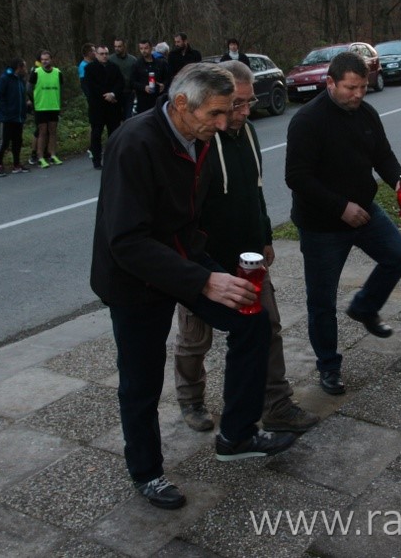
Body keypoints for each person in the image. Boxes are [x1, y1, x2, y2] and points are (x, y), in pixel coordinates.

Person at [90, 62, 297, 511]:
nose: (223, 124)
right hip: (133, 279)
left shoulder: (196, 136)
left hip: (182, 257)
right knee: (141, 380)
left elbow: (186, 217)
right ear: (182, 103)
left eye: (228, 111)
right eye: (215, 113)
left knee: (252, 321)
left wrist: (213, 267)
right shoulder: (134, 142)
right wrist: (203, 280)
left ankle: (237, 435)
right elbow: (126, 241)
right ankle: (146, 472)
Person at [173, 60, 319, 434]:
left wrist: (265, 236)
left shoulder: (249, 133)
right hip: (204, 260)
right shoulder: (201, 139)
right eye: (236, 104)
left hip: (248, 257)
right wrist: (194, 265)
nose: (243, 112)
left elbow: (256, 189)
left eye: (247, 102)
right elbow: (184, 209)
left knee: (266, 327)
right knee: (195, 339)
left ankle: (277, 403)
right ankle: (191, 399)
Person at [285, 51, 401, 395]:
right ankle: (329, 366)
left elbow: (382, 155)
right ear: (330, 83)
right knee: (322, 302)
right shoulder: (308, 121)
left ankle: (364, 307)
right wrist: (341, 207)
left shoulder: (366, 113)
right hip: (321, 225)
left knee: (399, 255)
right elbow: (296, 177)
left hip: (364, 213)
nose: (358, 94)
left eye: (363, 87)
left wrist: (400, 181)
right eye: (350, 88)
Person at [84, 45, 124, 169]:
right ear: (96, 54)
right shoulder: (90, 68)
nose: (104, 56)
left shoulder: (114, 67)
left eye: (106, 53)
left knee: (114, 134)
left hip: (113, 106)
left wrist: (113, 94)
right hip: (97, 107)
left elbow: (120, 83)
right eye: (101, 54)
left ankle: (113, 158)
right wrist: (105, 95)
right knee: (96, 134)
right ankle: (96, 160)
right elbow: (91, 87)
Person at [0, 58, 31, 177]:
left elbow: (21, 96)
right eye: (24, 66)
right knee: (4, 142)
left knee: (17, 141)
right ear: (19, 67)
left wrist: (26, 105)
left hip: (19, 117)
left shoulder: (20, 80)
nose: (26, 69)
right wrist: (6, 111)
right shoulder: (5, 78)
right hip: (7, 118)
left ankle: (16, 164)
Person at [27, 51, 64, 168]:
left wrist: (60, 103)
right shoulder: (36, 72)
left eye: (46, 59)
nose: (44, 61)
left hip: (53, 106)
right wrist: (34, 101)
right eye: (42, 59)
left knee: (53, 131)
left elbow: (61, 88)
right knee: (42, 132)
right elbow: (29, 89)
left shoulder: (58, 72)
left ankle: (52, 155)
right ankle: (40, 157)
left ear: (51, 59)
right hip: (40, 107)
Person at [131, 39, 169, 115]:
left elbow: (168, 78)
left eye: (146, 48)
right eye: (141, 48)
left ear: (151, 48)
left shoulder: (160, 63)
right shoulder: (137, 64)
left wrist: (164, 85)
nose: (143, 51)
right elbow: (132, 82)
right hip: (143, 101)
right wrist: (144, 87)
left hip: (158, 99)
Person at [108, 38, 138, 119]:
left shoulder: (132, 60)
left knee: (128, 117)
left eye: (119, 46)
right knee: (115, 118)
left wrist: (135, 89)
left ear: (124, 46)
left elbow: (136, 75)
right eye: (115, 46)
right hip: (115, 93)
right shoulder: (110, 60)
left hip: (129, 92)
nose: (117, 48)